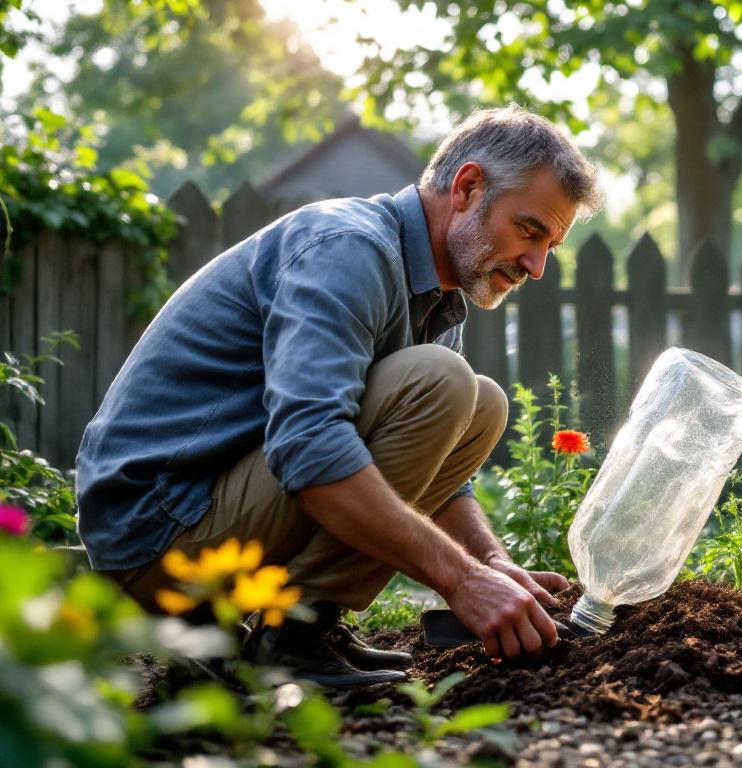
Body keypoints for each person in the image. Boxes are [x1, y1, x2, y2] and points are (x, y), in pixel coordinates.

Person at [75, 105, 603, 687]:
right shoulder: (347, 249)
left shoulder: (438, 290)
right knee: (445, 382)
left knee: (480, 403)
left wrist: (492, 562)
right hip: (156, 535)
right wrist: (460, 581)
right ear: (468, 187)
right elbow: (309, 448)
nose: (536, 266)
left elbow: (437, 469)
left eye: (550, 246)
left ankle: (303, 628)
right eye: (530, 231)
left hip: (212, 514)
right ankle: (290, 641)